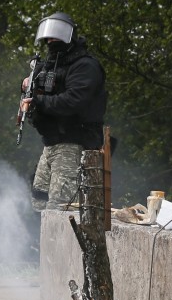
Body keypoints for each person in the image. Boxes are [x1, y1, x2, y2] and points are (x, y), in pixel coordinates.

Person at [20, 12, 107, 212]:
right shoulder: (51, 65)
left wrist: (38, 101)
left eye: (56, 37)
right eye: (48, 38)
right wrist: (28, 85)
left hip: (73, 142)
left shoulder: (85, 66)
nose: (51, 41)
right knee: (39, 200)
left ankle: (61, 244)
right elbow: (41, 88)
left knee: (60, 207)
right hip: (51, 143)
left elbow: (74, 101)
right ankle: (40, 242)